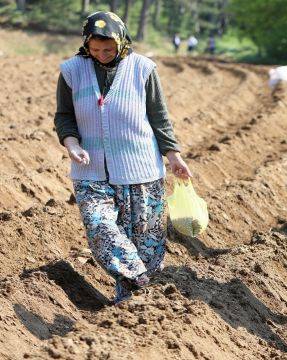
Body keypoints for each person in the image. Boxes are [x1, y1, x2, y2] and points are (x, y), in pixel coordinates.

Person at [53, 11, 192, 304]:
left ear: (122, 42)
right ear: (86, 45)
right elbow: (64, 115)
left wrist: (173, 155)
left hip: (141, 171)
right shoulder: (71, 71)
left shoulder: (142, 69)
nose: (102, 55)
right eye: (95, 49)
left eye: (109, 49)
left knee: (146, 246)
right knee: (100, 226)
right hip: (90, 172)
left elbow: (159, 117)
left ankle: (133, 308)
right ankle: (138, 282)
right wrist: (71, 143)